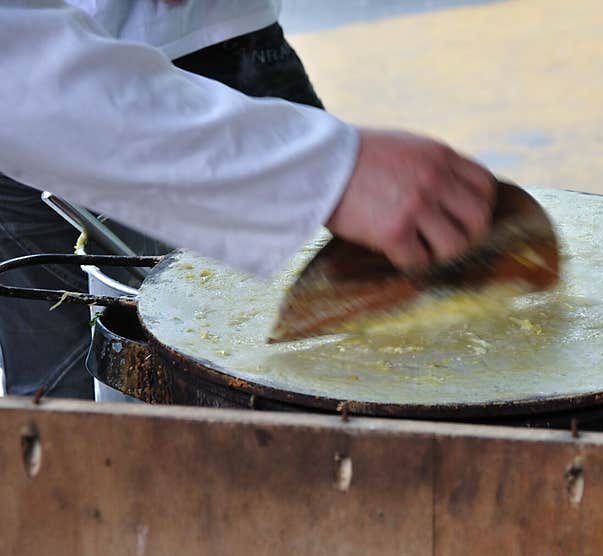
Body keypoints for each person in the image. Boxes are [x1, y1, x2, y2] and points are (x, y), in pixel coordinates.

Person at [0, 0, 496, 399]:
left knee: (354, 356)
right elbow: (16, 73)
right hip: (67, 80)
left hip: (225, 35)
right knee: (54, 391)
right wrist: (323, 170)